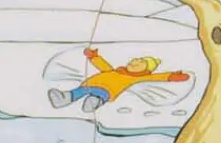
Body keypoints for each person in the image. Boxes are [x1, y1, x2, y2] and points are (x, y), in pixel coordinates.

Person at [48, 47, 190, 113]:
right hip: (91, 84)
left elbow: (157, 77)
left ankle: (94, 103)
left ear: (146, 69)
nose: (135, 61)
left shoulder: (138, 78)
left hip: (107, 91)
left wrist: (172, 76)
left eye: (140, 62)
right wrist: (93, 56)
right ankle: (64, 98)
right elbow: (102, 65)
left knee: (97, 95)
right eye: (135, 60)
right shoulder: (114, 71)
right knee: (81, 90)